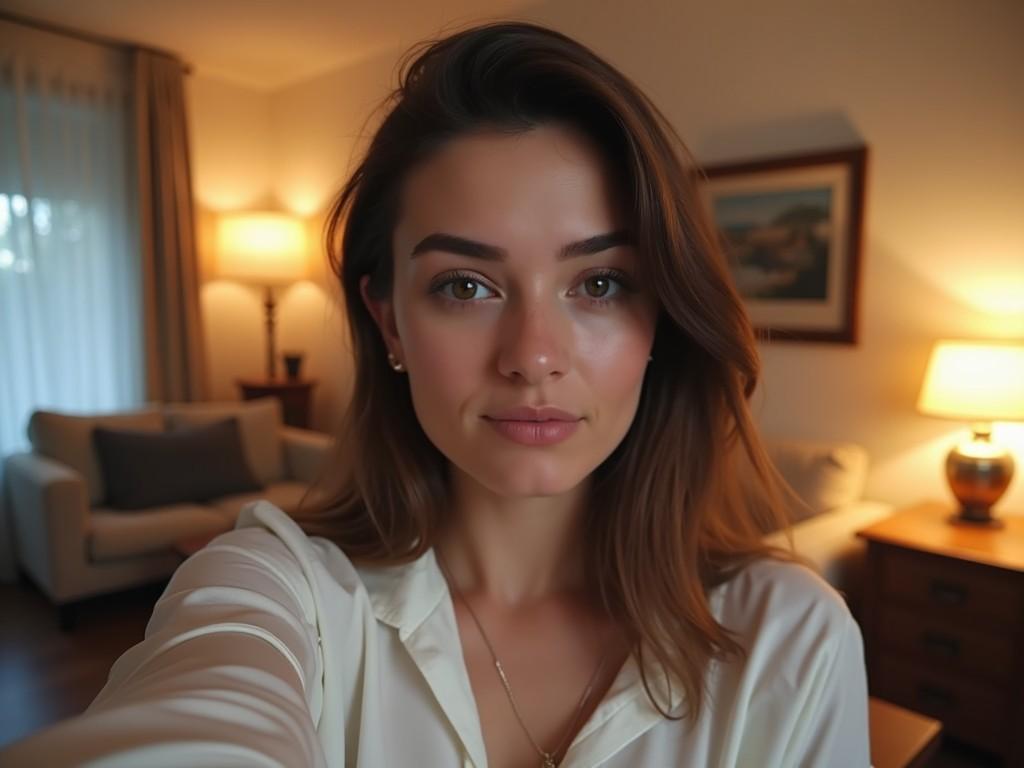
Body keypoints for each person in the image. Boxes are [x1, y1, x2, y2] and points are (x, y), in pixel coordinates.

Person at [0, 20, 869, 768]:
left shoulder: (790, 640)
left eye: (600, 284)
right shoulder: (279, 591)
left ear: (662, 320)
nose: (533, 358)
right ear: (388, 323)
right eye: (465, 285)